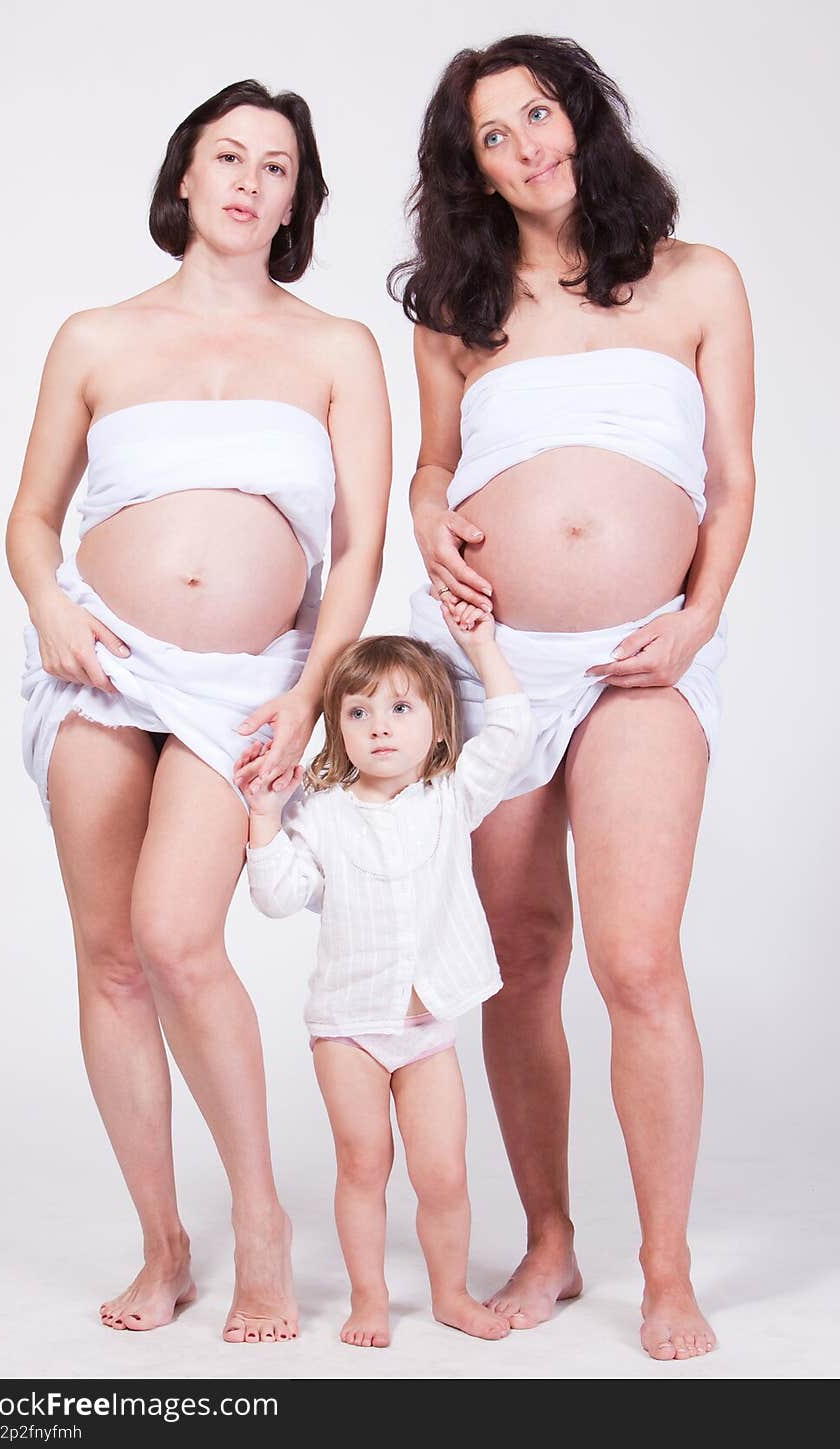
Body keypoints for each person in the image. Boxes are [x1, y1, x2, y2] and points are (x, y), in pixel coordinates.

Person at [7, 78, 391, 1343]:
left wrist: (309, 695)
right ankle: (165, 1243)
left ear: (297, 200)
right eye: (229, 156)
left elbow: (363, 549)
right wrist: (49, 606)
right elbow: (31, 519)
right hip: (98, 666)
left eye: (277, 167)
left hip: (247, 683)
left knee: (179, 939)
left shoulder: (336, 348)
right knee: (111, 957)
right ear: (184, 176)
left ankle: (262, 1225)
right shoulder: (95, 338)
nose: (249, 181)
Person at [391, 34, 755, 1359]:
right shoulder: (454, 311)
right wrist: (427, 522)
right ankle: (552, 1240)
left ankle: (667, 1266)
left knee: (637, 958)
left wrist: (697, 618)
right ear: (471, 169)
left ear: (578, 116)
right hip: (496, 666)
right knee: (521, 958)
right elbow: (430, 475)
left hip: (648, 652)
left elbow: (733, 475)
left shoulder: (697, 280)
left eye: (537, 113)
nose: (526, 145)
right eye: (493, 134)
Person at [240, 618, 536, 1347]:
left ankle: (450, 1292)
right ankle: (368, 1298)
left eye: (402, 708)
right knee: (364, 1164)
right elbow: (278, 896)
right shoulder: (323, 812)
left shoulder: (450, 796)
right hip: (348, 1027)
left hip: (428, 1026)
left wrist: (482, 647)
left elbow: (512, 731)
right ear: (337, 730)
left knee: (443, 1175)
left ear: (438, 730)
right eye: (359, 711)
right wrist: (266, 818)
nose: (379, 727)